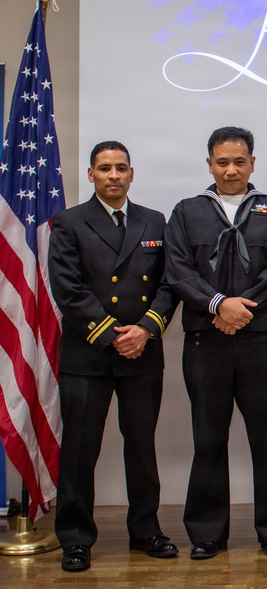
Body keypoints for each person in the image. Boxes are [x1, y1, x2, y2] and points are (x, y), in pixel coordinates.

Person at [164, 126, 267, 560]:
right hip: (206, 340)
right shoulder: (186, 212)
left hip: (262, 339)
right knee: (208, 439)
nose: (231, 170)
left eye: (239, 161)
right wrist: (218, 305)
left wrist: (243, 308)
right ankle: (207, 533)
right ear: (209, 164)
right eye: (222, 162)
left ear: (252, 163)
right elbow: (178, 269)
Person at [49, 141, 179, 572]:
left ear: (131, 174)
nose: (113, 175)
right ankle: (75, 539)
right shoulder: (69, 222)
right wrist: (111, 335)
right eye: (104, 168)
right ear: (91, 174)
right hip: (88, 355)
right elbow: (67, 288)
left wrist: (146, 329)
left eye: (121, 168)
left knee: (141, 448)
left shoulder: (154, 220)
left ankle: (145, 531)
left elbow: (168, 283)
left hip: (141, 351)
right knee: (80, 451)